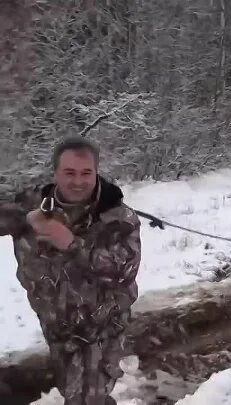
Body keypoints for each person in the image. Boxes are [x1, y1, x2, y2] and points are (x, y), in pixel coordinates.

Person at [0, 136, 141, 405]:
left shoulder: (118, 218)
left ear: (96, 172)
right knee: (73, 390)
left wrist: (71, 244)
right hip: (57, 327)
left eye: (86, 173)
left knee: (86, 398)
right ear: (55, 174)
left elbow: (124, 272)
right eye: (69, 173)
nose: (78, 181)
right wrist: (25, 220)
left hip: (100, 331)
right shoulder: (30, 205)